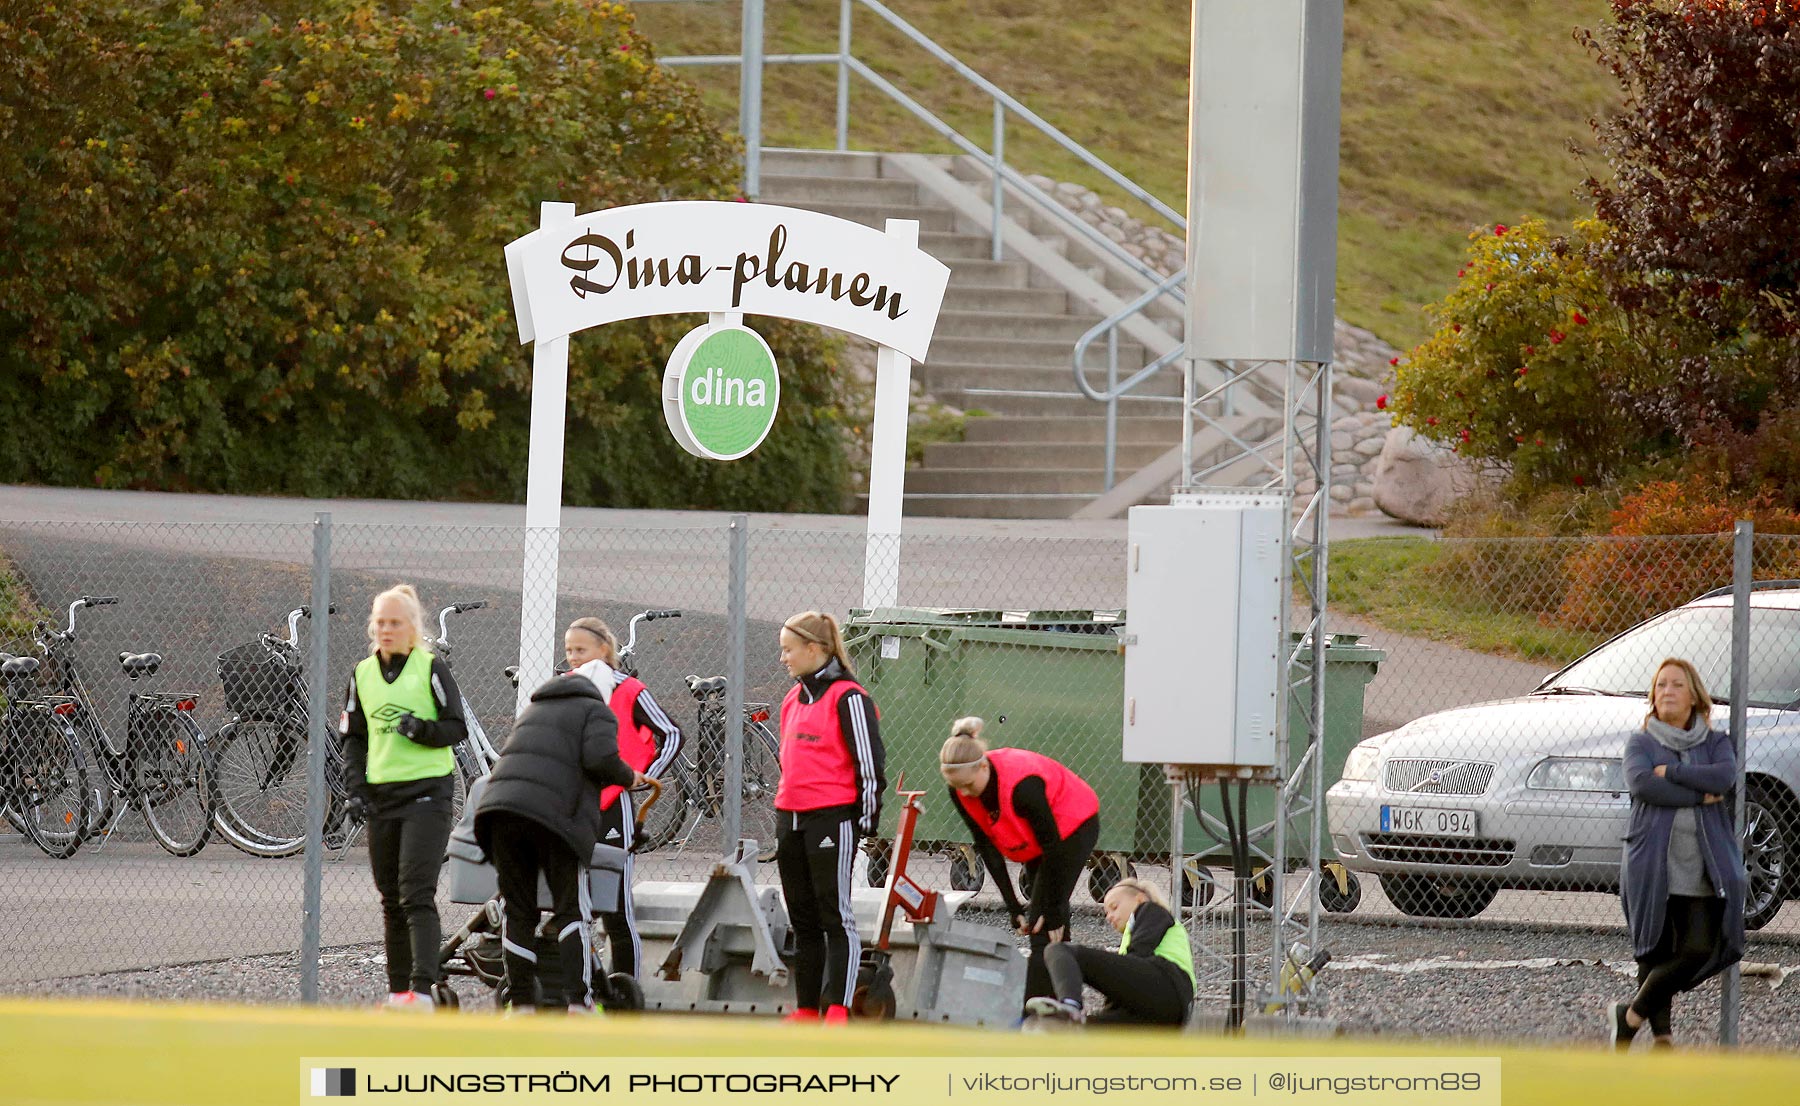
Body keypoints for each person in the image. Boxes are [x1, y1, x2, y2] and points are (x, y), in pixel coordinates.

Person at [473, 659, 646, 1013]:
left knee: (519, 912)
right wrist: (629, 776)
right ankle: (579, 1005)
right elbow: (600, 759)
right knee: (572, 910)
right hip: (553, 819)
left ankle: (521, 1005)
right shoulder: (596, 709)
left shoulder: (536, 707)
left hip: (499, 814)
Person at [339, 584, 468, 1010]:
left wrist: (422, 730)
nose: (386, 629)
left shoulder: (430, 668)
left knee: (416, 892)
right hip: (383, 795)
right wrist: (356, 789)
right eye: (380, 622)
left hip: (427, 793)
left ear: (412, 627)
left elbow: (456, 727)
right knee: (390, 896)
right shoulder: (362, 674)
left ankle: (424, 990)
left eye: (395, 622)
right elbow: (354, 739)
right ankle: (398, 994)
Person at [1611, 657, 1745, 1050]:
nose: (1666, 691)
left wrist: (1670, 772)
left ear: (1694, 697)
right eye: (1661, 685)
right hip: (1652, 860)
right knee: (1654, 948)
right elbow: (1642, 786)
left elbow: (1723, 777)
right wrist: (1700, 796)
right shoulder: (1641, 742)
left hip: (1703, 865)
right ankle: (1663, 1039)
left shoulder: (1715, 742)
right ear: (1653, 696)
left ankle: (1629, 1016)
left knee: (1696, 949)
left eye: (1676, 685)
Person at [939, 717, 1100, 1017]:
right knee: (1044, 917)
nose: (967, 794)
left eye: (969, 785)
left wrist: (1050, 910)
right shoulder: (961, 788)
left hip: (1073, 825)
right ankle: (1062, 1002)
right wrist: (1012, 905)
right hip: (1038, 839)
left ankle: (1032, 1012)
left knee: (1043, 920)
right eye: (958, 787)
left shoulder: (1022, 786)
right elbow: (986, 845)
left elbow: (1053, 848)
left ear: (983, 767)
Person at [774, 610, 885, 1025]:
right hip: (791, 817)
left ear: (814, 649)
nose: (783, 658)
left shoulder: (849, 697)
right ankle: (805, 1008)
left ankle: (836, 1007)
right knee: (801, 917)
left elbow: (870, 764)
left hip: (831, 819)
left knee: (835, 915)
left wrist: (865, 821)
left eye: (789, 650)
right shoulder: (792, 698)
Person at [561, 616, 684, 982]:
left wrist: (645, 778)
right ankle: (581, 984)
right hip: (573, 807)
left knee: (616, 906)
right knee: (572, 903)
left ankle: (626, 986)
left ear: (604, 650)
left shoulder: (630, 690)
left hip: (613, 807)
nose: (573, 657)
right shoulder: (563, 688)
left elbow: (672, 733)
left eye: (580, 650)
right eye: (568, 650)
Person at [1026, 876, 1194, 1027]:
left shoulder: (1151, 910)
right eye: (1106, 913)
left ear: (1139, 899)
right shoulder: (1133, 936)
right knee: (1083, 1031)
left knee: (1060, 950)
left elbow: (1138, 956)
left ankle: (1070, 1006)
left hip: (1168, 985)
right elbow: (1128, 982)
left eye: (1114, 907)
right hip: (1168, 1013)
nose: (1109, 916)